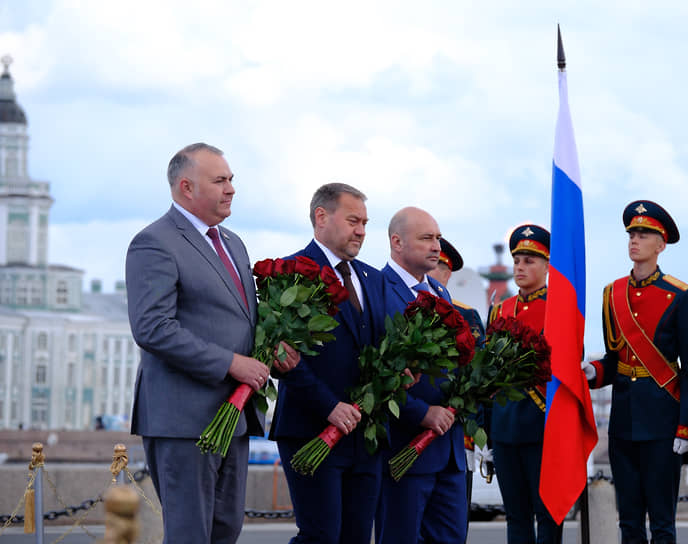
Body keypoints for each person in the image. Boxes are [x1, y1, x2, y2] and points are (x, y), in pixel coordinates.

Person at [126, 143, 300, 543]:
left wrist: (270, 352)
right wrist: (230, 363)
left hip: (232, 416)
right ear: (187, 187)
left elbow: (238, 321)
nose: (231, 189)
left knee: (225, 531)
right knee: (190, 534)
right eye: (219, 180)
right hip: (183, 418)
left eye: (231, 179)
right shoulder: (154, 242)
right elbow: (152, 328)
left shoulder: (233, 243)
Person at [271, 182, 388, 544]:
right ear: (321, 217)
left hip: (364, 435)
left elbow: (381, 348)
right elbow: (284, 358)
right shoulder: (290, 273)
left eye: (366, 223)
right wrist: (330, 407)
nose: (362, 231)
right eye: (354, 220)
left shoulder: (373, 278)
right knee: (320, 537)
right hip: (310, 429)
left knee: (356, 538)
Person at [582, 200, 688, 544]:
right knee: (629, 523)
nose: (634, 239)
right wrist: (593, 371)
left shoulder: (680, 295)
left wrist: (687, 428)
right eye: (631, 233)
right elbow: (615, 360)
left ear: (660, 245)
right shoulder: (611, 293)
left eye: (644, 234)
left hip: (664, 422)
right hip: (623, 423)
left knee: (662, 524)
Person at [378, 207, 468, 544]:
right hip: (405, 447)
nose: (436, 246)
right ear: (397, 242)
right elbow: (375, 373)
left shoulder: (440, 293)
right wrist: (421, 413)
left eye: (438, 238)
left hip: (448, 450)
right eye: (427, 238)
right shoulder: (377, 290)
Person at [487, 223, 561, 544]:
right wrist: (487, 433)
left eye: (529, 261)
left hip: (543, 427)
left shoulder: (560, 310)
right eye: (517, 260)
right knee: (516, 518)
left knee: (547, 517)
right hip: (505, 428)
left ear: (547, 265)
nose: (519, 267)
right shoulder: (500, 310)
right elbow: (488, 376)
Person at [427, 236, 486, 524]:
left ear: (448, 274)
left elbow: (479, 378)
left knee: (451, 527)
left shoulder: (465, 316)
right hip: (407, 431)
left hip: (454, 437)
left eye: (438, 266)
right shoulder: (398, 304)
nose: (430, 271)